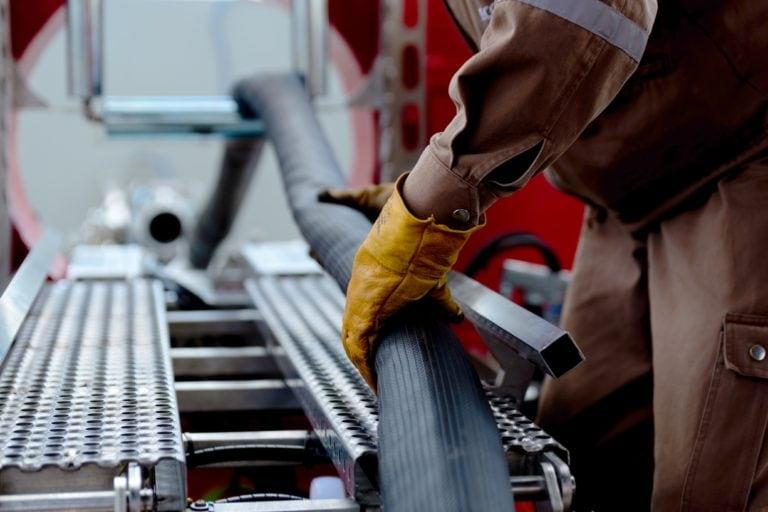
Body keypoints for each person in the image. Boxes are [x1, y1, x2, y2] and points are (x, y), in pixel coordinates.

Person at [322, 0, 768, 510]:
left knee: (708, 494)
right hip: (636, 186)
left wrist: (435, 200)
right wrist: (417, 192)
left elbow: (576, 12)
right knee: (584, 460)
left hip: (745, 166)